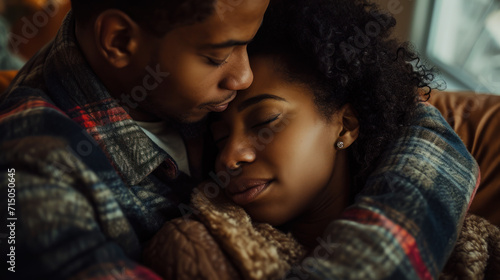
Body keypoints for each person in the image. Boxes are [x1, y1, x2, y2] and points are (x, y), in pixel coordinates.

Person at [0, 0, 478, 279]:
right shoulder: (28, 175)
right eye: (218, 56)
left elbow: (418, 121)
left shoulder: (207, 41)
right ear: (120, 40)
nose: (244, 73)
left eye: (247, 45)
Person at [143, 0, 480, 279]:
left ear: (346, 125)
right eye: (220, 139)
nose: (229, 158)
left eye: (264, 122)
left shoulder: (463, 240)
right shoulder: (199, 246)